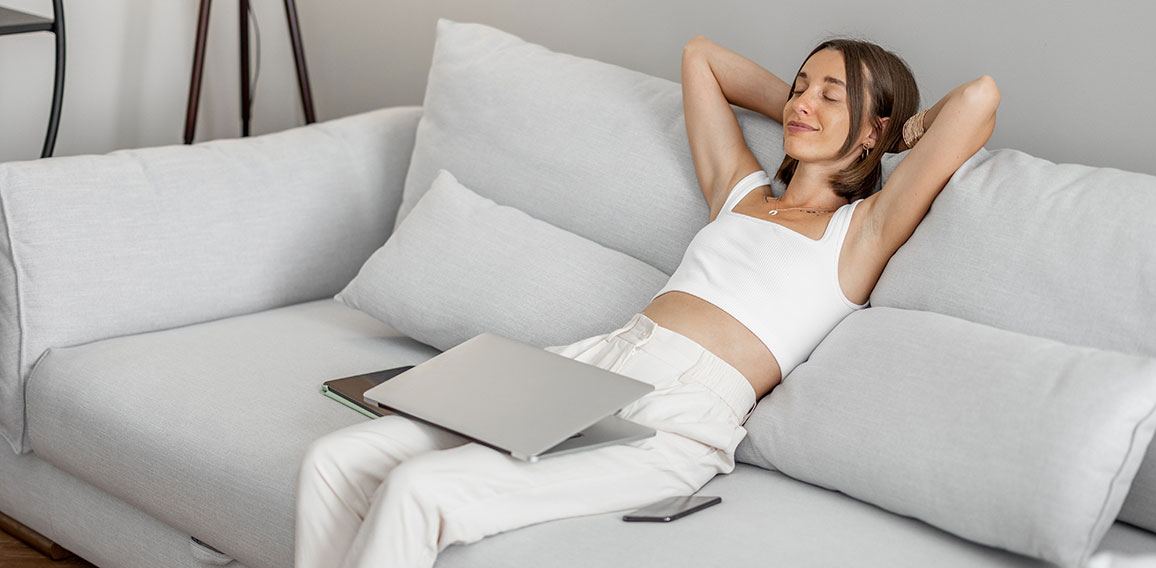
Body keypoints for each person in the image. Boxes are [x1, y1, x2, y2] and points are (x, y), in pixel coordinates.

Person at [295, 35, 1000, 568]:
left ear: (874, 128)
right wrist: (816, 111)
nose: (802, 103)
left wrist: (900, 131)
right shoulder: (742, 192)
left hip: (683, 413)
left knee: (422, 489)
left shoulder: (859, 234)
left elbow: (978, 100)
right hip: (594, 364)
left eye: (830, 95)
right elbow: (702, 59)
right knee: (335, 459)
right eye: (799, 86)